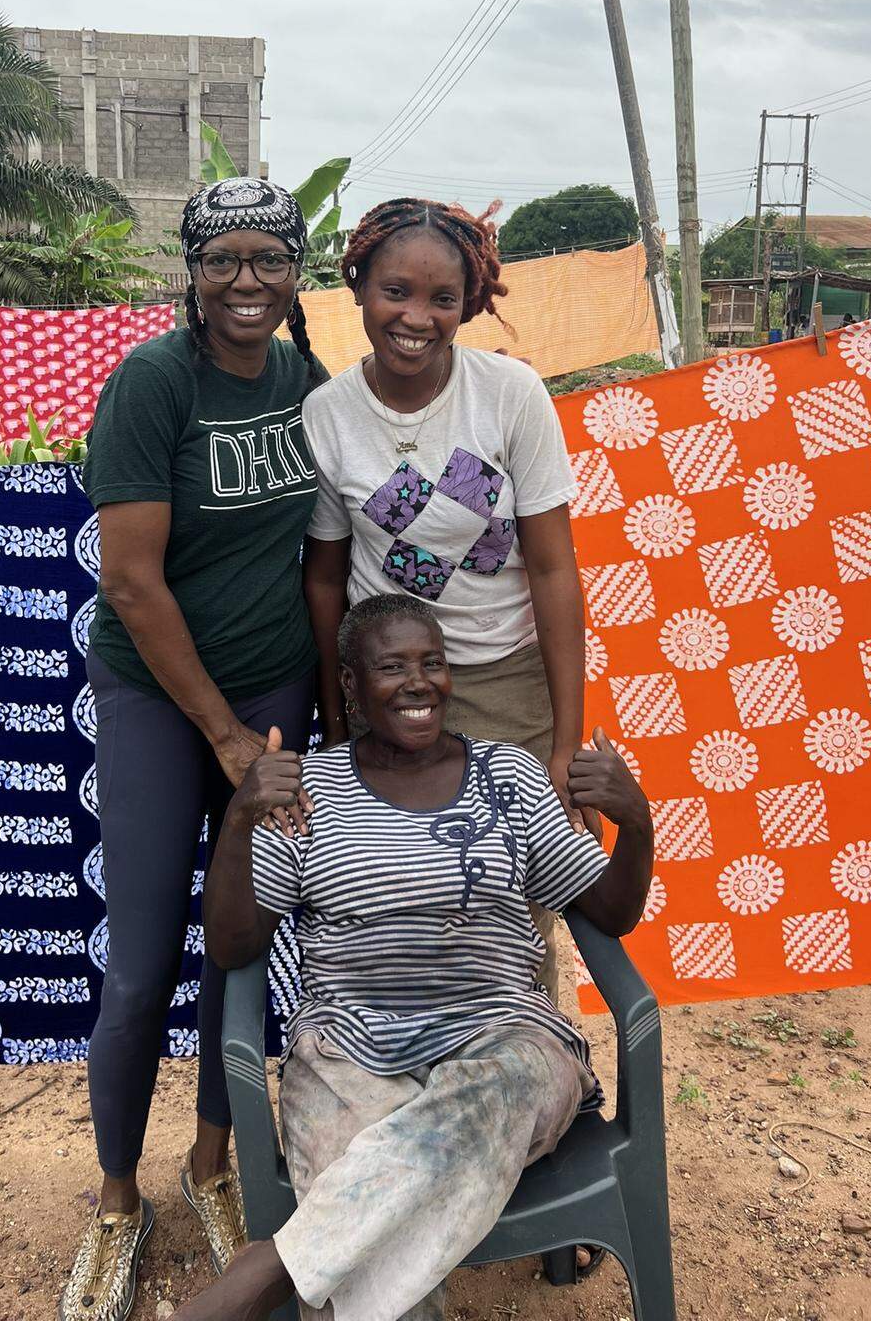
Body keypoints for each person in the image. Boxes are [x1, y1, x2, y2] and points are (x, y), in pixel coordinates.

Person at [176, 593, 653, 1321]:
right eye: (391, 666)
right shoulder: (309, 791)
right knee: (382, 1193)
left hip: (503, 1041)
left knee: (493, 1091)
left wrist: (637, 823)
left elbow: (611, 911)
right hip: (348, 1052)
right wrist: (239, 821)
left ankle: (272, 1268)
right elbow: (231, 943)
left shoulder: (510, 778)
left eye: (432, 662)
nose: (418, 682)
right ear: (350, 687)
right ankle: (297, 1269)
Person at [59, 177, 326, 1321]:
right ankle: (119, 1201)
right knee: (138, 961)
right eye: (225, 260)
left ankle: (214, 1162)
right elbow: (128, 576)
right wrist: (220, 732)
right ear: (193, 270)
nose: (247, 282)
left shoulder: (306, 382)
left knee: (242, 941)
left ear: (295, 271)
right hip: (165, 704)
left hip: (274, 692)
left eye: (269, 259)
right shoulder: (153, 386)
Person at [301, 195, 596, 1000]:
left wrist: (566, 744)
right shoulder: (326, 415)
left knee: (520, 904)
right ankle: (397, 1057)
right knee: (397, 901)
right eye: (395, 291)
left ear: (471, 301)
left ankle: (536, 1064)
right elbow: (325, 578)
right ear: (358, 285)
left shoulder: (510, 396)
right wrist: (338, 723)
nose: (416, 317)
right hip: (391, 691)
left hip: (506, 678)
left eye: (443, 298)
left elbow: (553, 571)